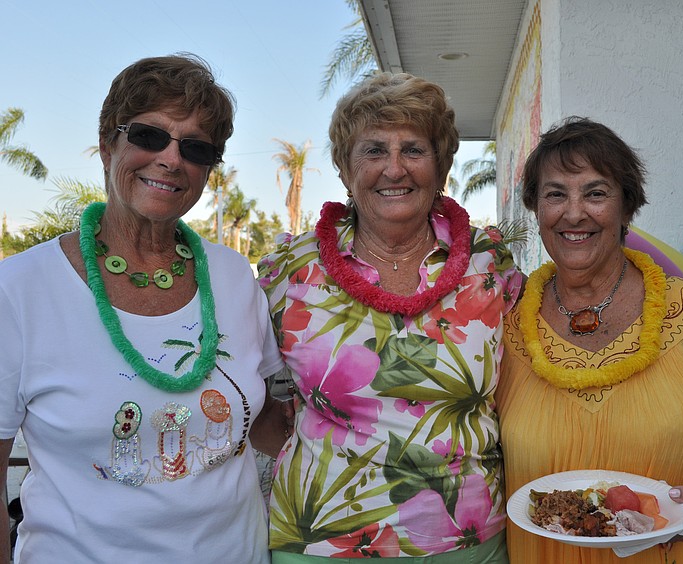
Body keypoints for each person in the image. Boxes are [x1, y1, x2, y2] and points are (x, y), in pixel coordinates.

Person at [0, 54, 288, 563]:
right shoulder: (19, 289)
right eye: (149, 135)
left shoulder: (233, 276)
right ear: (108, 142)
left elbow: (264, 420)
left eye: (196, 148)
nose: (172, 159)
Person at [495, 116, 683, 563]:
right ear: (536, 209)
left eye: (596, 193)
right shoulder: (506, 326)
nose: (574, 212)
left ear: (627, 208)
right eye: (555, 194)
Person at [256, 72, 523, 563]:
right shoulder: (289, 272)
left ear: (441, 166)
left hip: (467, 540)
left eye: (414, 150)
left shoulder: (489, 263)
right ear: (344, 168)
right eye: (374, 151)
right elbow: (251, 403)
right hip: (320, 540)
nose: (394, 169)